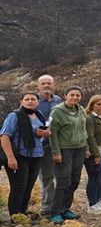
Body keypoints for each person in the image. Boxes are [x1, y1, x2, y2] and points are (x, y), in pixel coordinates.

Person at [0, 92, 47, 222]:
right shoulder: (14, 116)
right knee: (18, 187)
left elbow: (41, 133)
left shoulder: (39, 115)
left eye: (33, 99)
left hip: (36, 155)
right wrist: (10, 158)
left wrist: (44, 133)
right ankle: (15, 217)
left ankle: (22, 213)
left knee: (28, 186)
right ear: (21, 101)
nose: (30, 101)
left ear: (37, 102)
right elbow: (4, 137)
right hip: (19, 156)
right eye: (27, 99)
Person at [49, 86, 89, 225]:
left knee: (75, 180)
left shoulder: (81, 109)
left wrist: (87, 148)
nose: (75, 98)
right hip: (64, 149)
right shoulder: (58, 111)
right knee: (63, 181)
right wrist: (56, 152)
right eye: (72, 95)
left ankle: (66, 209)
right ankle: (55, 212)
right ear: (65, 95)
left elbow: (84, 130)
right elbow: (52, 133)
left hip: (79, 148)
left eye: (78, 95)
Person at [35, 74, 60, 219]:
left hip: (57, 143)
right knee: (47, 176)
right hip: (41, 144)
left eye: (49, 83)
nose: (46, 86)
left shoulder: (57, 100)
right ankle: (47, 207)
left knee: (61, 176)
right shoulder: (33, 100)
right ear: (39, 86)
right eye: (43, 83)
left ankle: (59, 205)